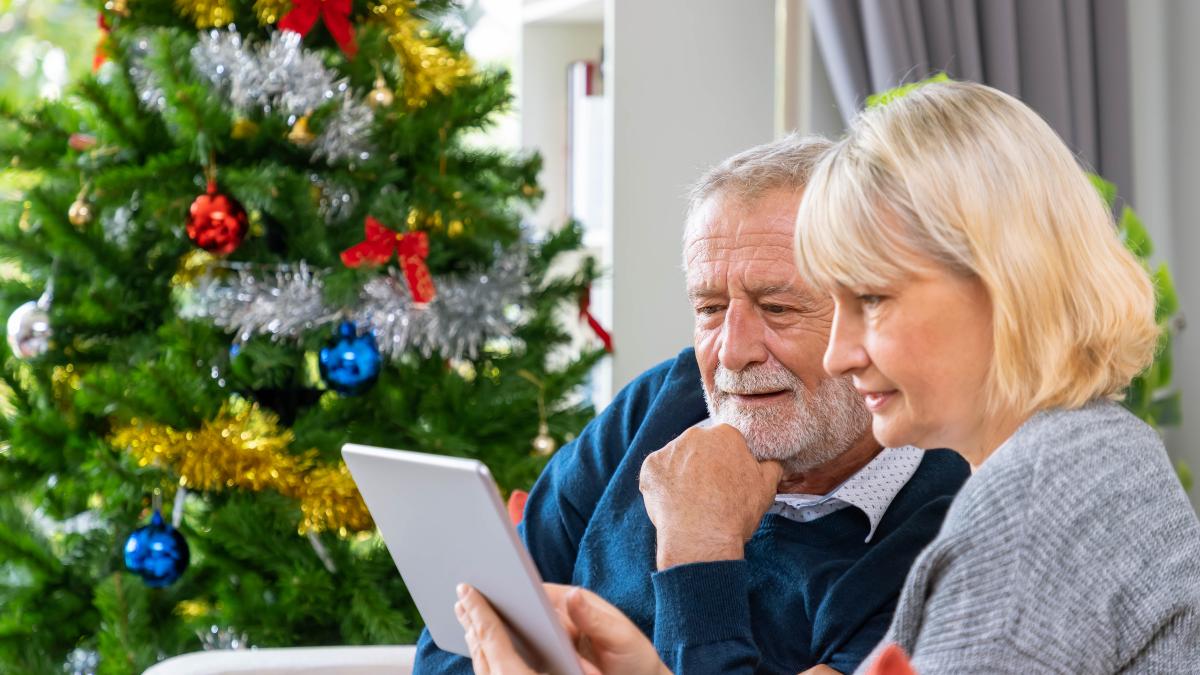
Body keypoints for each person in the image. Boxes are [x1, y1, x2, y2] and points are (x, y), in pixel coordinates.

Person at [455, 80, 1200, 674]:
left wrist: (697, 551)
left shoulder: (1030, 507)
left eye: (870, 299)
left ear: (1003, 285)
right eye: (709, 307)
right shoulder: (1076, 463)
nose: (843, 352)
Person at [414, 135, 970, 674]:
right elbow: (455, 642)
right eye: (710, 308)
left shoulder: (942, 534)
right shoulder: (660, 402)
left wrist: (699, 547)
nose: (732, 352)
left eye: (777, 308)